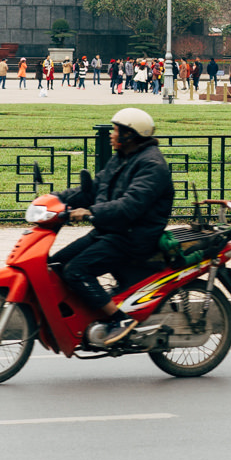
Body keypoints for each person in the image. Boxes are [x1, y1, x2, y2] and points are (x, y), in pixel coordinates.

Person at [54, 107, 174, 345]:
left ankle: (120, 320)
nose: (111, 135)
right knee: (56, 265)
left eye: (116, 130)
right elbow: (93, 188)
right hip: (111, 230)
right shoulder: (122, 158)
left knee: (76, 270)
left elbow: (130, 205)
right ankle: (83, 316)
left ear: (130, 135)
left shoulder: (152, 165)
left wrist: (91, 212)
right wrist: (55, 200)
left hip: (132, 237)